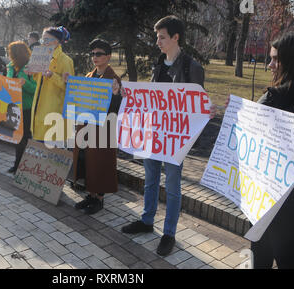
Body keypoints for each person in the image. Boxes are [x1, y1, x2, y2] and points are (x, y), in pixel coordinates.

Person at [120, 15, 215, 257]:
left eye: (162, 37)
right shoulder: (159, 64)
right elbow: (153, 97)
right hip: (154, 135)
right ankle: (146, 220)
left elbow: (197, 104)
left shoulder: (191, 67)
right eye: (157, 37)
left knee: (172, 186)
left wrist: (208, 109)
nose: (157, 42)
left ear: (175, 37)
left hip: (175, 140)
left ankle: (169, 234)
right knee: (150, 179)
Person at [246, 32, 294, 269]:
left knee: (287, 255)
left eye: (275, 59)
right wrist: (238, 115)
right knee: (258, 245)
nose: (269, 65)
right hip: (263, 189)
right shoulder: (274, 94)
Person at [66, 39, 122, 215]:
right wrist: (70, 86)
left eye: (99, 54)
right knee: (87, 161)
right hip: (86, 126)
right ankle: (90, 195)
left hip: (103, 130)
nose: (95, 57)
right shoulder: (90, 76)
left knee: (100, 164)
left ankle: (99, 199)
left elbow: (117, 107)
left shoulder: (113, 79)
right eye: (92, 54)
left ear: (108, 56)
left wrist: (116, 95)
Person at [27, 26, 74, 146]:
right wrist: (31, 73)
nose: (44, 43)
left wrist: (52, 76)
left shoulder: (65, 60)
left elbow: (70, 88)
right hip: (38, 112)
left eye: (46, 40)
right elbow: (38, 81)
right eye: (43, 40)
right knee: (39, 153)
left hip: (53, 115)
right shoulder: (42, 55)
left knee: (51, 155)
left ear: (56, 41)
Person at [5, 41, 37, 174]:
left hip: (27, 108)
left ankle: (23, 165)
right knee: (17, 137)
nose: (10, 55)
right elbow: (7, 84)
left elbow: (36, 89)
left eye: (11, 53)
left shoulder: (31, 67)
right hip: (14, 107)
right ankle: (18, 163)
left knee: (24, 138)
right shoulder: (10, 66)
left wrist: (25, 84)